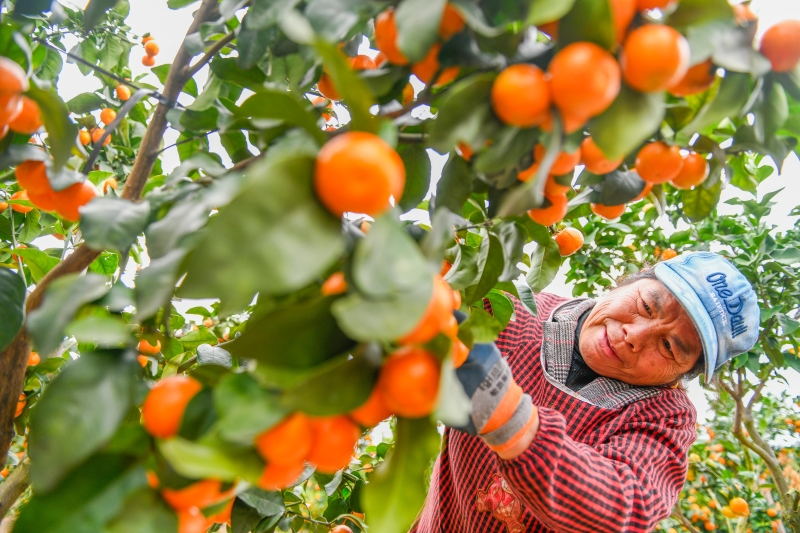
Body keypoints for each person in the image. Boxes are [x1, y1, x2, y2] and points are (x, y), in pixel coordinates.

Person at [412, 252, 760, 533]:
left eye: (668, 346)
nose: (636, 336)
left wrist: (510, 418)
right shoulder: (516, 312)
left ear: (682, 374)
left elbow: (625, 506)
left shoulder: (665, 418)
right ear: (624, 283)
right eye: (647, 307)